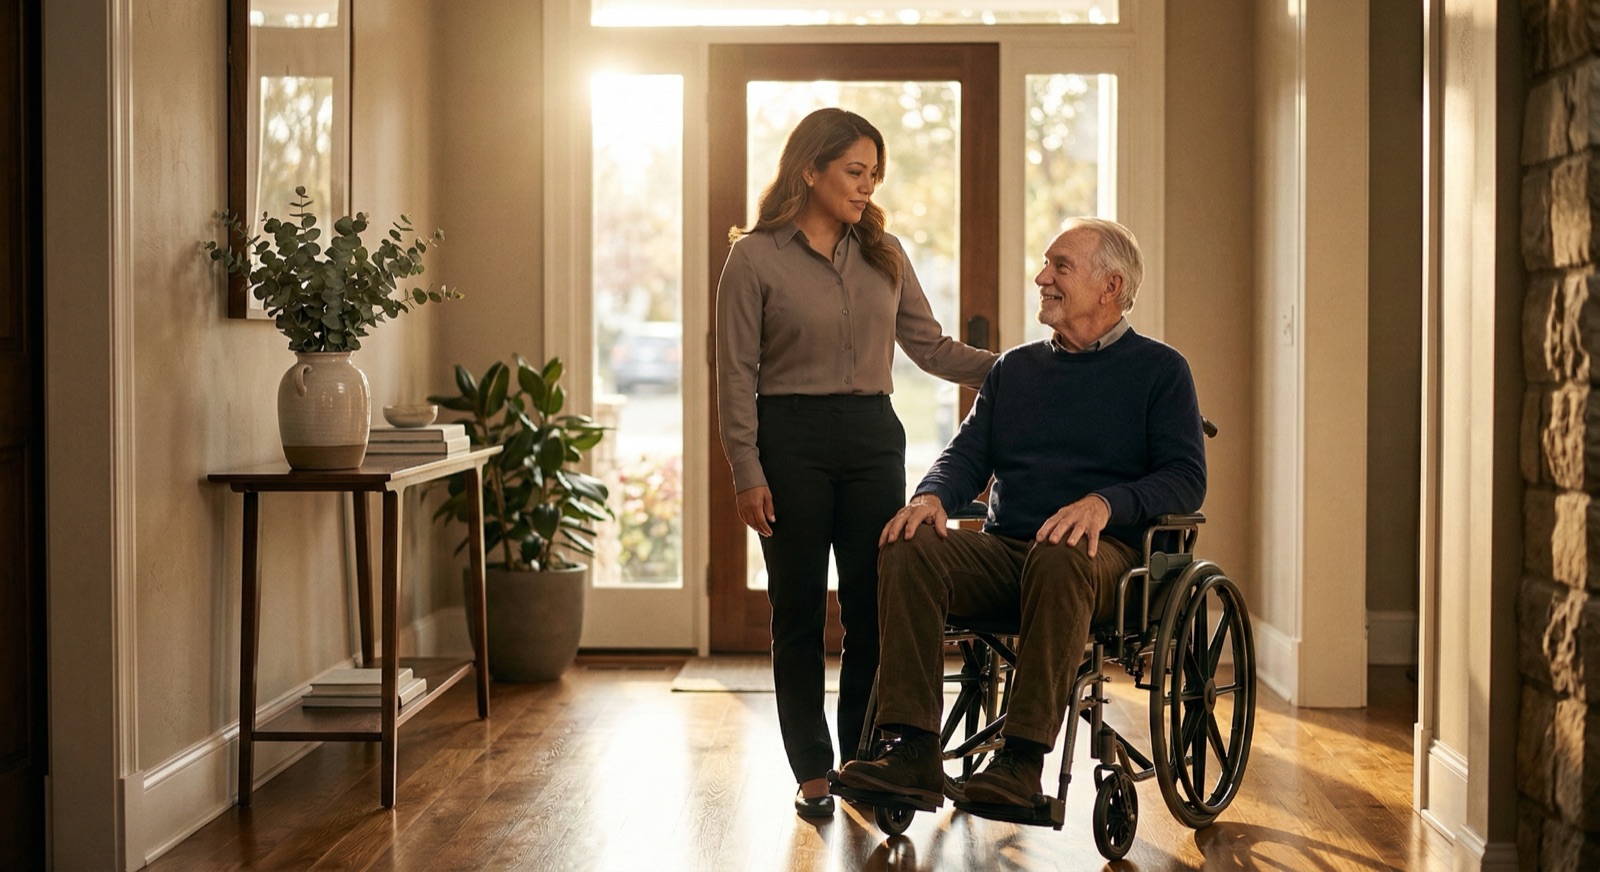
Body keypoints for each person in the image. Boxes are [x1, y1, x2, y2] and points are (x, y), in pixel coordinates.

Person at [836, 217, 1206, 810]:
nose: (1042, 278)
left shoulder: (1160, 372)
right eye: (1046, 265)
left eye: (1061, 267)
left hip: (1102, 560)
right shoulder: (1015, 370)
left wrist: (1103, 503)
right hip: (1009, 550)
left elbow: (1187, 478)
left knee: (1061, 554)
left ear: (1110, 287)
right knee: (908, 541)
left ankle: (1020, 761)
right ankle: (911, 749)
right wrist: (931, 497)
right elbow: (965, 456)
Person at [715, 107, 997, 819]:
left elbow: (931, 347)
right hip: (790, 442)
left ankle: (866, 758)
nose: (867, 186)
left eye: (874, 174)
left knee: (878, 605)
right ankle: (812, 768)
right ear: (810, 169)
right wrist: (747, 470)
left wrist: (1024, 368)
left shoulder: (885, 253)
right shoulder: (753, 258)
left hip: (873, 438)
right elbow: (734, 374)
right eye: (854, 172)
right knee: (799, 611)